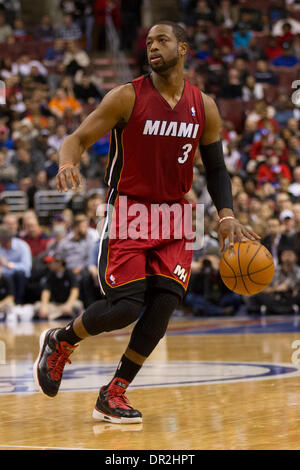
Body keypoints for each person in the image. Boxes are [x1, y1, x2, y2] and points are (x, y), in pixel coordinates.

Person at [34, 21, 259, 424]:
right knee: (125, 307)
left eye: (163, 40)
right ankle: (61, 341)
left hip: (175, 215)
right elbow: (78, 138)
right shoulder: (126, 97)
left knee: (163, 305)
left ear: (183, 48)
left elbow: (217, 168)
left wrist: (226, 215)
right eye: (150, 41)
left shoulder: (203, 105)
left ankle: (114, 392)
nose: (153, 46)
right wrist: (67, 161)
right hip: (130, 212)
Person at [35, 253, 83, 321]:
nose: (48, 265)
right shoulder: (50, 274)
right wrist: (44, 306)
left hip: (67, 304)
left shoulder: (70, 273)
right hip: (55, 305)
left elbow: (75, 290)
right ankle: (57, 316)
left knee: (78, 305)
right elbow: (46, 291)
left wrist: (69, 305)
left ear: (59, 262)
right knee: (37, 306)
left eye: (51, 262)